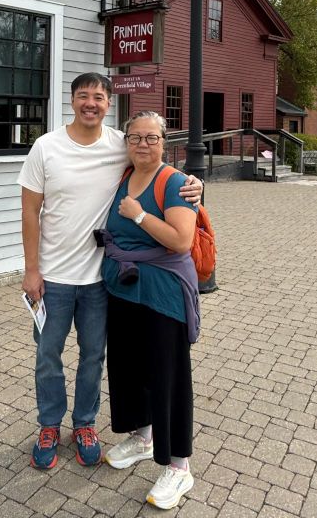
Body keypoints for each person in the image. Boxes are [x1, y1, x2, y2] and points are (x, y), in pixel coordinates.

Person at [18, 73, 202, 470]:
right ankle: (49, 424)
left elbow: (155, 162)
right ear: (72, 100)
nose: (91, 103)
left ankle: (85, 424)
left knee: (93, 357)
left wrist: (193, 183)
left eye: (98, 97)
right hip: (52, 278)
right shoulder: (46, 147)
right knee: (48, 356)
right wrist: (31, 270)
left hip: (101, 279)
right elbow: (30, 212)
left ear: (107, 103)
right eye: (83, 96)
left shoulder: (119, 144)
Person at [102, 110, 199, 511]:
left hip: (162, 294)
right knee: (128, 367)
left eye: (152, 138)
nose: (143, 144)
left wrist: (139, 214)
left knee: (167, 376)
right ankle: (143, 437)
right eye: (136, 137)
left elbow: (181, 241)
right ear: (126, 141)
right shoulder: (124, 175)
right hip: (122, 290)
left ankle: (180, 466)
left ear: (165, 142)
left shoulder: (174, 182)